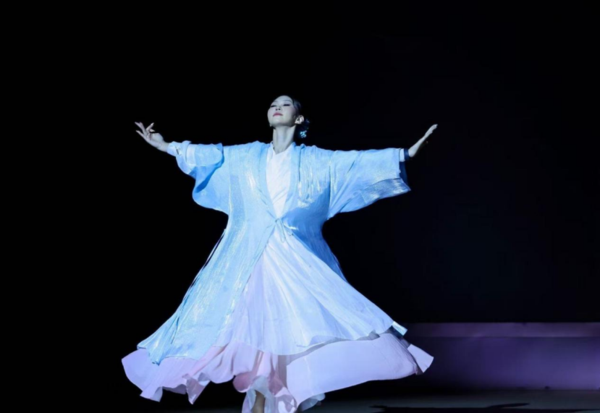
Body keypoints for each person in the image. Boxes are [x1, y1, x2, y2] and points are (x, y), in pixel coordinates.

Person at [123, 95, 437, 413]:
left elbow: (354, 163)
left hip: (293, 257)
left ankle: (276, 397)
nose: (277, 107)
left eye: (286, 104)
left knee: (293, 329)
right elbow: (211, 154)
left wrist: (404, 154)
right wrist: (167, 146)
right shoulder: (246, 156)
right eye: (273, 104)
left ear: (298, 119)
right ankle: (263, 396)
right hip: (249, 257)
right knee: (250, 328)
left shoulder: (316, 160)